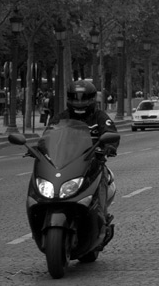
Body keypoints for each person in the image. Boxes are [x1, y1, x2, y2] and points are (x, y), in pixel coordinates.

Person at [49, 80, 119, 222]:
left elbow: (110, 132)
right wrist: (39, 149)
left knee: (102, 178)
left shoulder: (100, 117)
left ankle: (101, 214)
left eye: (84, 98)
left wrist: (108, 147)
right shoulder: (61, 117)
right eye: (75, 98)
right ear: (69, 98)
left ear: (93, 99)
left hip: (93, 162)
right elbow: (48, 134)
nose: (79, 103)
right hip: (64, 163)